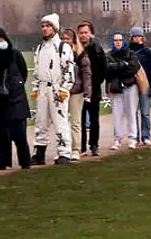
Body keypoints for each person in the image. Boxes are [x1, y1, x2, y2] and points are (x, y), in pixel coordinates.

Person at [0, 27, 31, 169]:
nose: (0, 42)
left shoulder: (15, 54)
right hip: (0, 100)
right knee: (3, 134)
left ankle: (25, 161)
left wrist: (17, 85)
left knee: (20, 134)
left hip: (17, 98)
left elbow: (23, 71)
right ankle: (3, 162)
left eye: (2, 39)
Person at [32, 13, 75, 165]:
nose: (44, 29)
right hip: (43, 88)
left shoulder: (63, 47)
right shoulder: (40, 47)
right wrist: (36, 87)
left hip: (57, 88)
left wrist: (65, 88)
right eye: (43, 26)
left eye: (48, 26)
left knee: (60, 121)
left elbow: (68, 69)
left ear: (54, 28)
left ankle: (64, 152)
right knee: (40, 121)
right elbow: (37, 70)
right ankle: (39, 152)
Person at [105, 31, 140, 151]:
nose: (118, 42)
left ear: (123, 41)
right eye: (115, 40)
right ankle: (117, 139)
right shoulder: (108, 55)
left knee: (131, 113)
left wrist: (117, 68)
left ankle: (132, 137)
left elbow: (133, 68)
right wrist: (122, 65)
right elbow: (107, 68)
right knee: (116, 114)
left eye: (120, 40)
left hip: (130, 86)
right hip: (116, 88)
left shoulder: (131, 53)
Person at [76, 21, 106, 156]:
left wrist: (96, 82)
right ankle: (81, 146)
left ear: (91, 33)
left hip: (93, 87)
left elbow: (102, 67)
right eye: (81, 33)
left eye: (86, 32)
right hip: (79, 89)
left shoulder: (97, 48)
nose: (83, 35)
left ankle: (94, 144)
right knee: (79, 118)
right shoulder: (74, 48)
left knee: (94, 118)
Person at [64, 27, 90, 162]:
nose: (65, 41)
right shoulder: (59, 53)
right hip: (62, 90)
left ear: (73, 40)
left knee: (75, 121)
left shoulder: (80, 54)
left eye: (68, 39)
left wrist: (87, 91)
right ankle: (64, 147)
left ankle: (76, 148)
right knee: (62, 122)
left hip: (76, 91)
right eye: (63, 39)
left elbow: (86, 73)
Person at [129, 26, 151, 147]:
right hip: (132, 84)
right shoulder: (128, 51)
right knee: (133, 112)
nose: (138, 38)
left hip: (145, 84)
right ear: (131, 38)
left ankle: (146, 136)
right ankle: (135, 136)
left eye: (139, 36)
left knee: (145, 112)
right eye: (135, 36)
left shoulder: (146, 51)